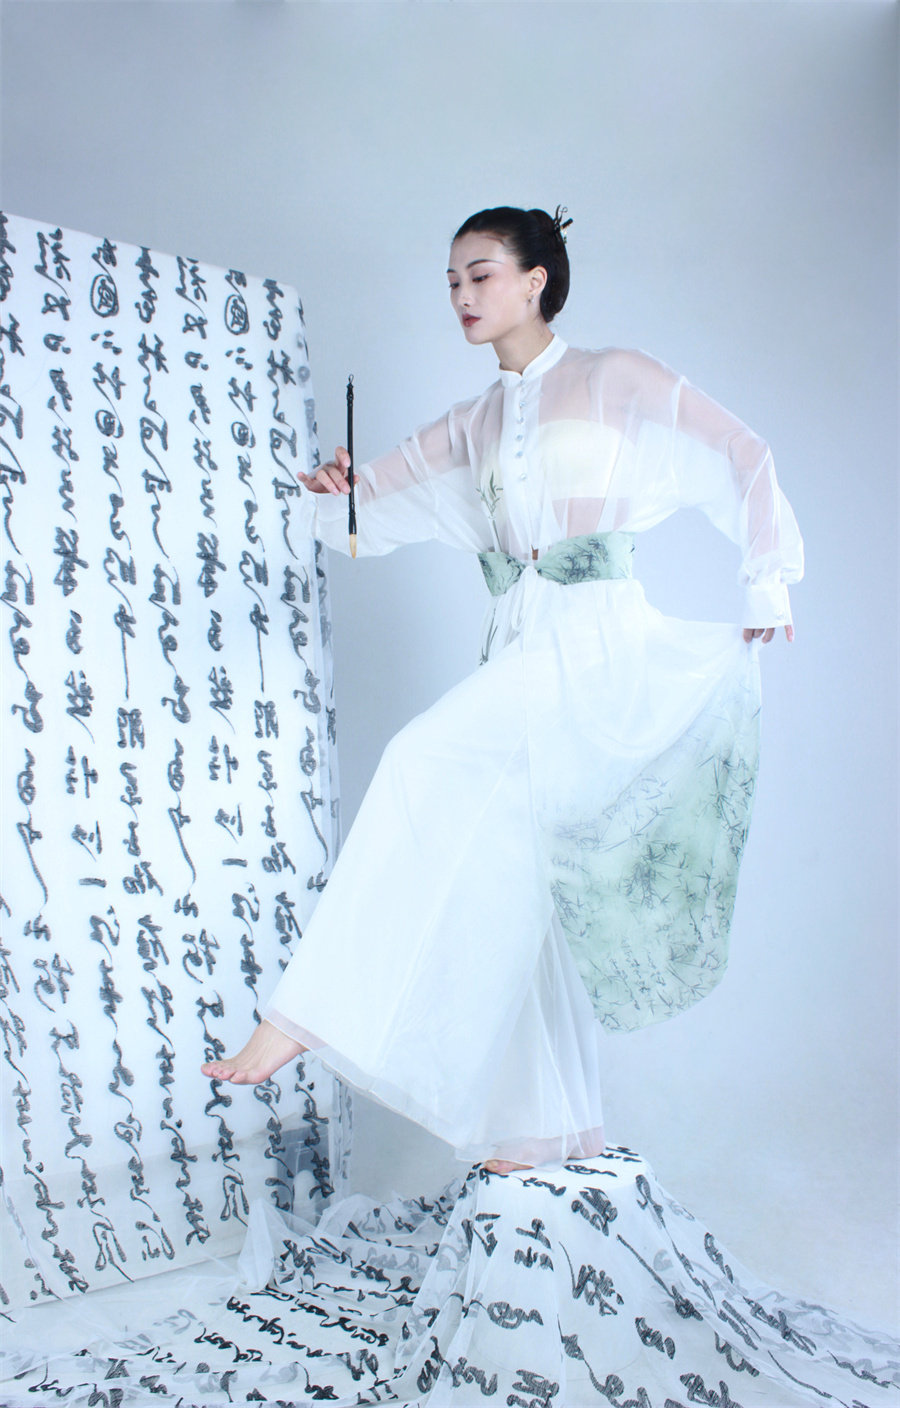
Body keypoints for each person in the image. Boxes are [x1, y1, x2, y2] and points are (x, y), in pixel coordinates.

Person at [201, 206, 803, 1177]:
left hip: (594, 642)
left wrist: (766, 579)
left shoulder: (614, 377)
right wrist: (334, 490)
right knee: (518, 881)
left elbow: (740, 454)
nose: (463, 296)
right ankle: (549, 1129)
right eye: (452, 281)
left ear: (536, 281)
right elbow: (365, 516)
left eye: (481, 275)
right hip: (518, 644)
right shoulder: (473, 421)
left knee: (419, 760)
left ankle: (302, 1016)